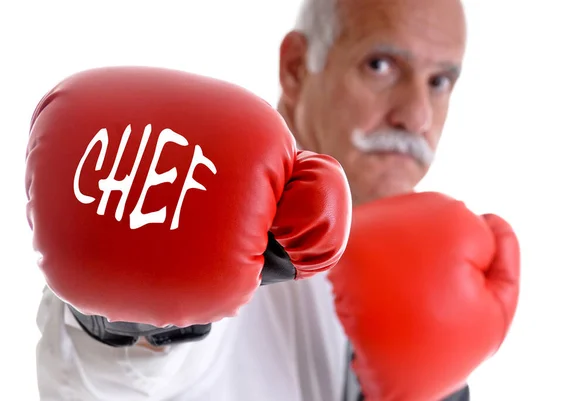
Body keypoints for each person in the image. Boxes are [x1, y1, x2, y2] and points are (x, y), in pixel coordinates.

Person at [33, 0, 502, 400]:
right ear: (297, 67)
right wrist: (131, 325)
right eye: (380, 65)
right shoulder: (207, 210)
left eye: (439, 81)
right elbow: (108, 381)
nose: (416, 115)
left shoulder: (432, 267)